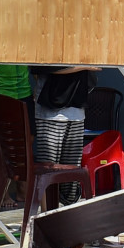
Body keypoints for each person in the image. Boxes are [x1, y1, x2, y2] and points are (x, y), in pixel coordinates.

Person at [33, 66, 93, 204]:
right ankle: (45, 219)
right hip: (50, 110)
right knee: (47, 171)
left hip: (76, 110)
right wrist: (82, 66)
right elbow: (39, 67)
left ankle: (67, 217)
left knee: (71, 177)